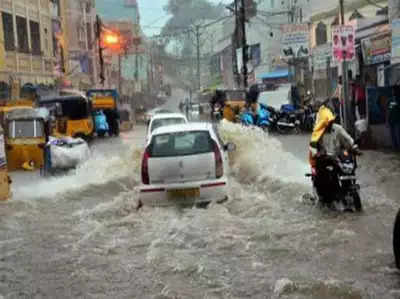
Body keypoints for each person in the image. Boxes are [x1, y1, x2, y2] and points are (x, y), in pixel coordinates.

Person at [309, 100, 361, 202]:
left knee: (350, 166)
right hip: (324, 161)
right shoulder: (317, 132)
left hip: (338, 159)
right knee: (324, 177)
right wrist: (318, 153)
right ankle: (325, 196)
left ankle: (347, 188)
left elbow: (348, 139)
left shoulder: (338, 129)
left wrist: (354, 148)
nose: (329, 123)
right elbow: (312, 147)